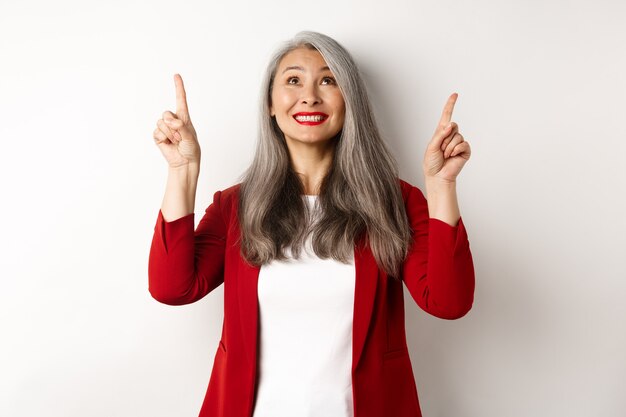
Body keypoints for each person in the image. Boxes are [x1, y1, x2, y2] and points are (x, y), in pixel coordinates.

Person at [149, 31, 475, 417]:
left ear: (349, 101)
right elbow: (172, 288)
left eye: (328, 80)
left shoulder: (394, 201)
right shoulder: (236, 206)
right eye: (293, 80)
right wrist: (183, 172)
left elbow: (448, 301)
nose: (310, 96)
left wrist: (441, 187)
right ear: (270, 104)